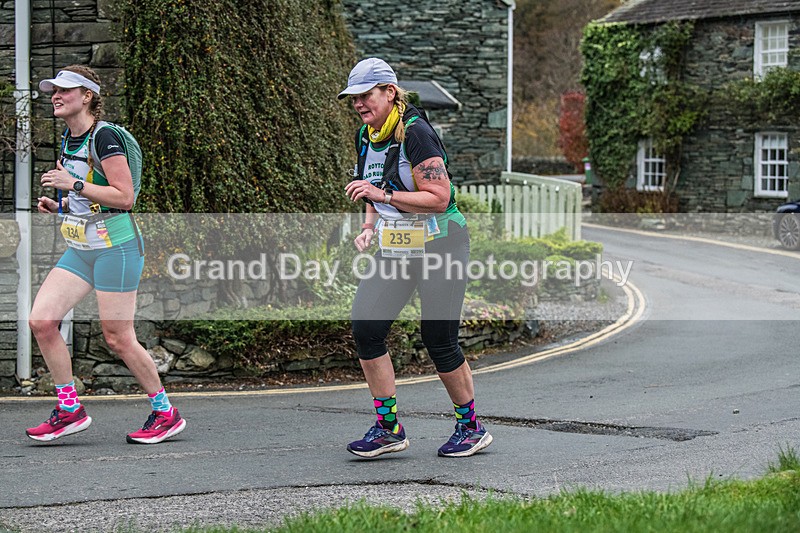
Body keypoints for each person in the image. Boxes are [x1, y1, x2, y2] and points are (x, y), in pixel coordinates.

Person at [25, 66, 186, 444]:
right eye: (54, 91)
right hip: (82, 247)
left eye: (65, 90)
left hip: (117, 248)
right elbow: (87, 201)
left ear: (87, 96)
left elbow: (125, 198)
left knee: (118, 338)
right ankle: (69, 409)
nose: (56, 95)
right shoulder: (70, 137)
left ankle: (166, 413)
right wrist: (60, 206)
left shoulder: (105, 136)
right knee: (42, 321)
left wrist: (73, 183)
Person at [340, 58, 492, 458]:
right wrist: (369, 227)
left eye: (365, 95)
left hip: (443, 243)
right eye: (353, 98)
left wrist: (384, 197)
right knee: (366, 327)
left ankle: (470, 427)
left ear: (390, 92)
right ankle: (389, 428)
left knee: (438, 339)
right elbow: (371, 185)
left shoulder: (416, 132)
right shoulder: (366, 135)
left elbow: (439, 199)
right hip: (400, 245)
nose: (358, 104)